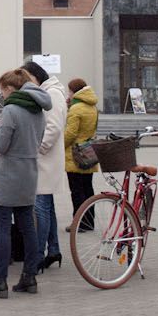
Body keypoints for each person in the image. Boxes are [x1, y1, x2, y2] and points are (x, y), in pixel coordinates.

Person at [0, 69, 50, 298]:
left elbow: (0, 145)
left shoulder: (11, 110)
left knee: (2, 227)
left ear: (11, 88)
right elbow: (38, 140)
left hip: (8, 172)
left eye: (3, 89)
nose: (2, 94)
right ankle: (29, 277)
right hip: (29, 172)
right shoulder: (38, 110)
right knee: (27, 226)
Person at [23, 61, 66, 271]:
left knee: (40, 208)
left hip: (45, 160)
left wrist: (38, 148)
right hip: (44, 160)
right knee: (46, 207)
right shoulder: (47, 91)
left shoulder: (54, 93)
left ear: (36, 76)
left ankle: (38, 255)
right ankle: (54, 249)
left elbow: (54, 126)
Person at [63, 79, 99, 231]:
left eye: (69, 90)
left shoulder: (76, 109)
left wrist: (60, 146)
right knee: (88, 188)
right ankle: (89, 222)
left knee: (76, 191)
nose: (68, 93)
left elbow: (70, 133)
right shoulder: (92, 107)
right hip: (89, 152)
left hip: (75, 155)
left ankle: (79, 223)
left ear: (74, 91)